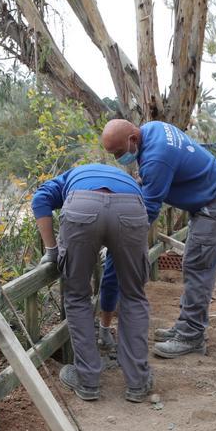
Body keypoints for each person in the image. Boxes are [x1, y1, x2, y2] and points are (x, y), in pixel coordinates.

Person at [100, 118, 216, 359]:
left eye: (119, 153)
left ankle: (191, 335)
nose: (117, 159)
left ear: (133, 139)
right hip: (210, 196)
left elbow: (149, 211)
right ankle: (186, 326)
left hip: (215, 203)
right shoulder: (152, 128)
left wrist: (119, 240)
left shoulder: (156, 158)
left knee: (198, 267)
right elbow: (158, 176)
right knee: (193, 264)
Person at [32, 163, 152, 402]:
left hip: (81, 207)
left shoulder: (68, 178)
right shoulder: (126, 179)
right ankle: (138, 382)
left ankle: (87, 381)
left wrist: (52, 250)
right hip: (131, 206)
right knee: (134, 295)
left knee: (77, 296)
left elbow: (40, 199)